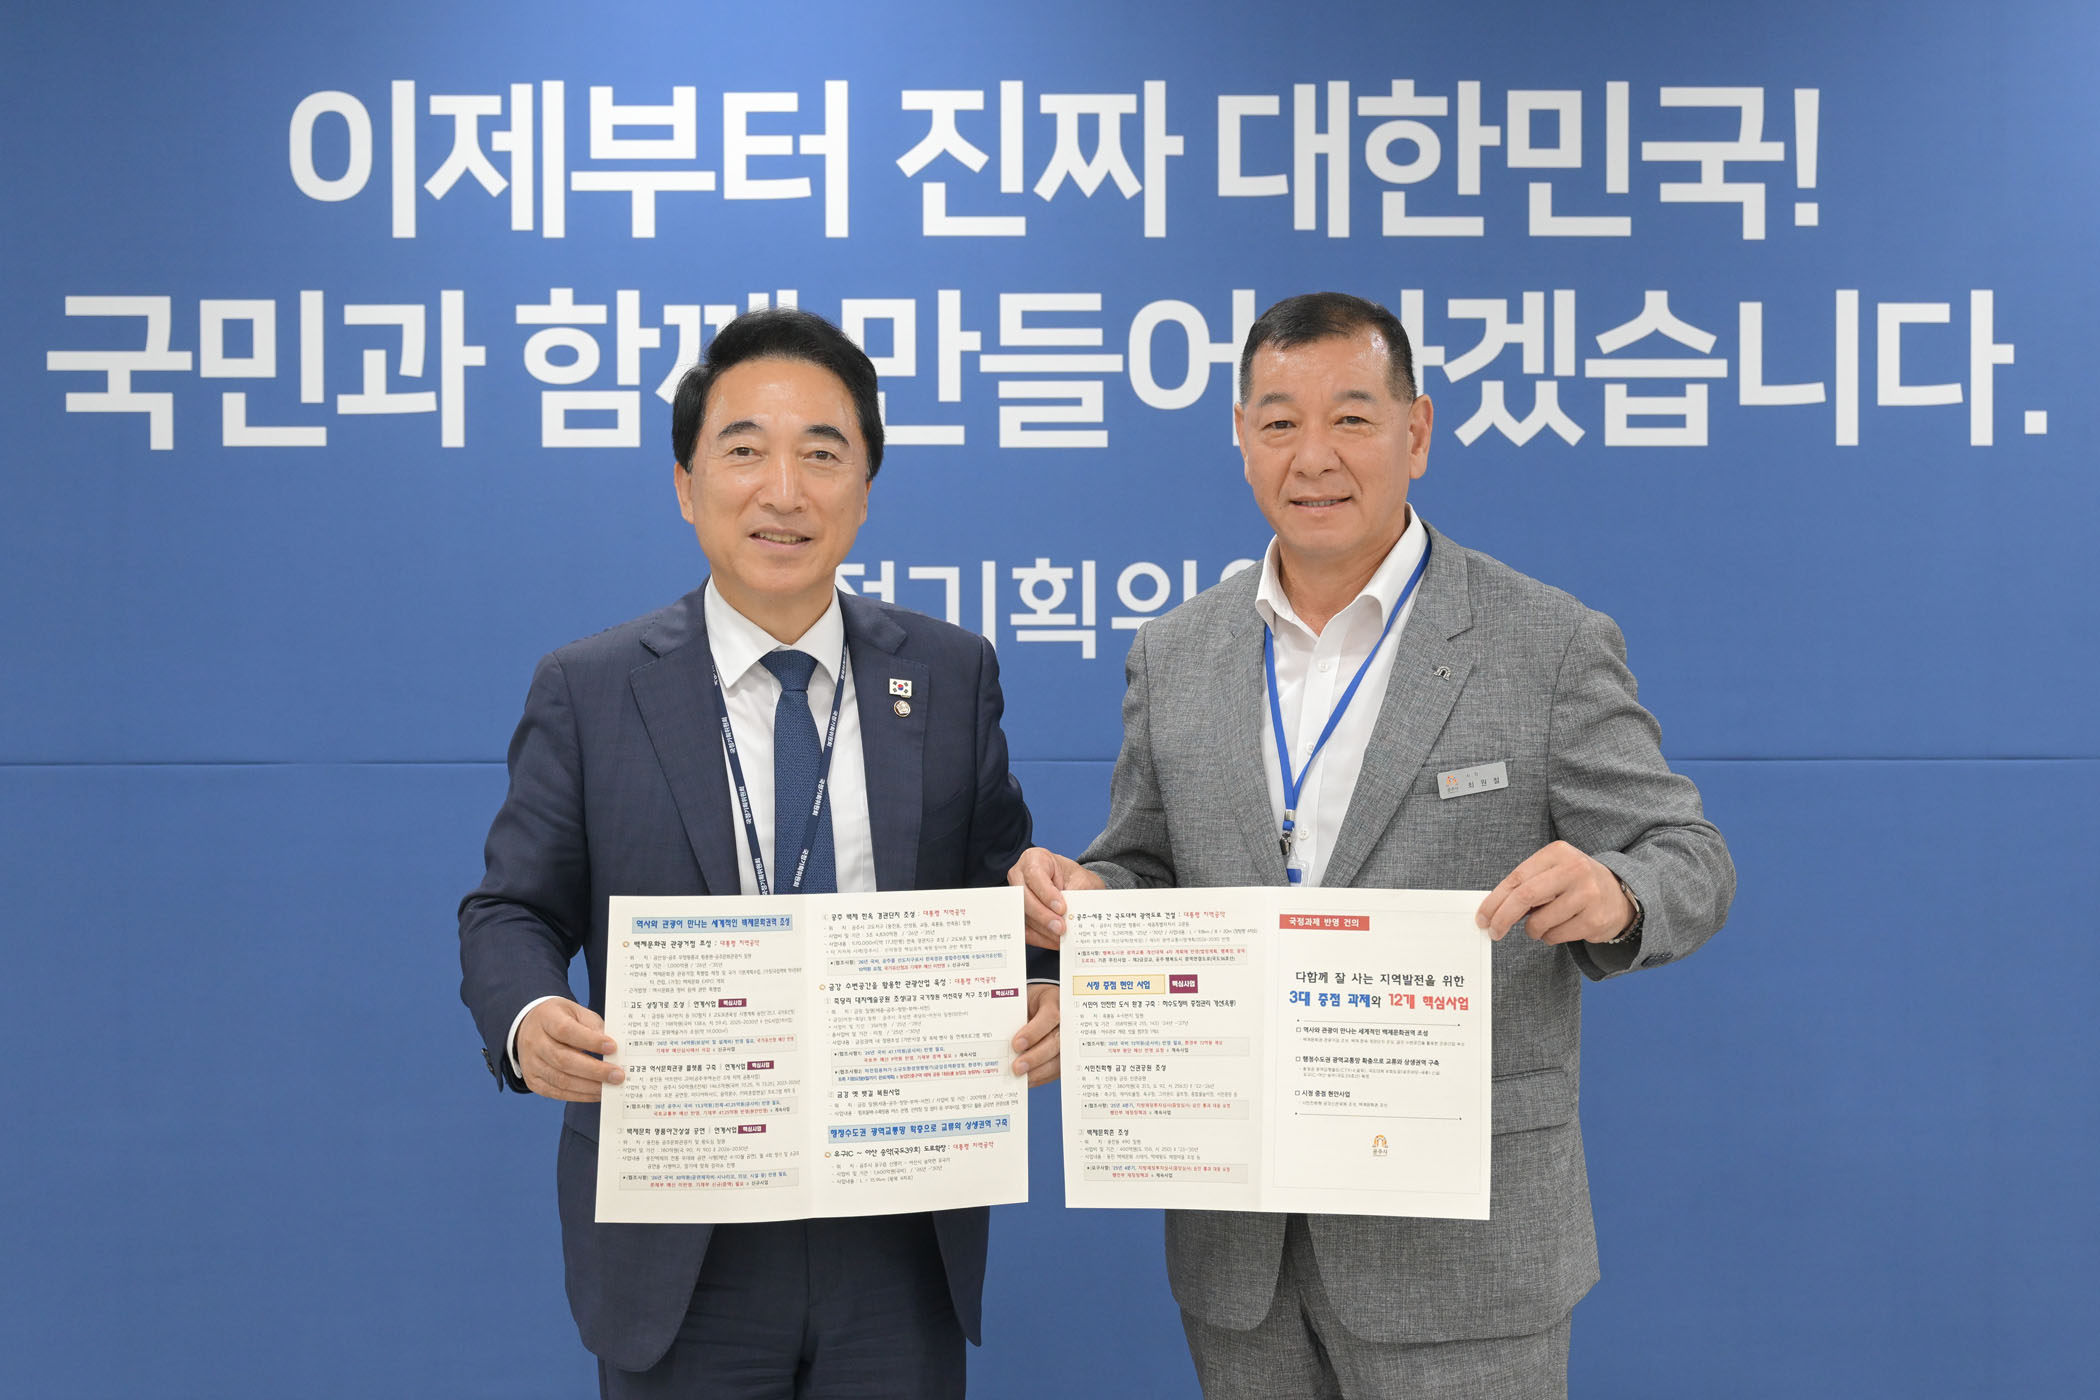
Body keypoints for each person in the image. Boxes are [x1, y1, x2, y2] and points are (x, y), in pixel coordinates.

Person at [1010, 292, 1734, 1398]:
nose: (1315, 457)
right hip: (1243, 1244)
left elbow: (1689, 853)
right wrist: (1090, 892)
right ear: (1241, 438)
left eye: (1351, 417)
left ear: (1417, 431)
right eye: (1279, 422)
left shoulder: (1543, 642)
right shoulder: (1177, 652)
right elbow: (1147, 865)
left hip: (1464, 1249)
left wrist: (1619, 891)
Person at [461, 306, 1060, 1399]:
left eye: (822, 454)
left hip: (897, 1217)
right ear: (686, 485)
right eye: (744, 451)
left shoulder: (950, 671)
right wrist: (530, 1015)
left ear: (865, 488)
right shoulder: (592, 689)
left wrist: (1045, 972)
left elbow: (1002, 885)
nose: (783, 491)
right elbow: (512, 909)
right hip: (682, 1222)